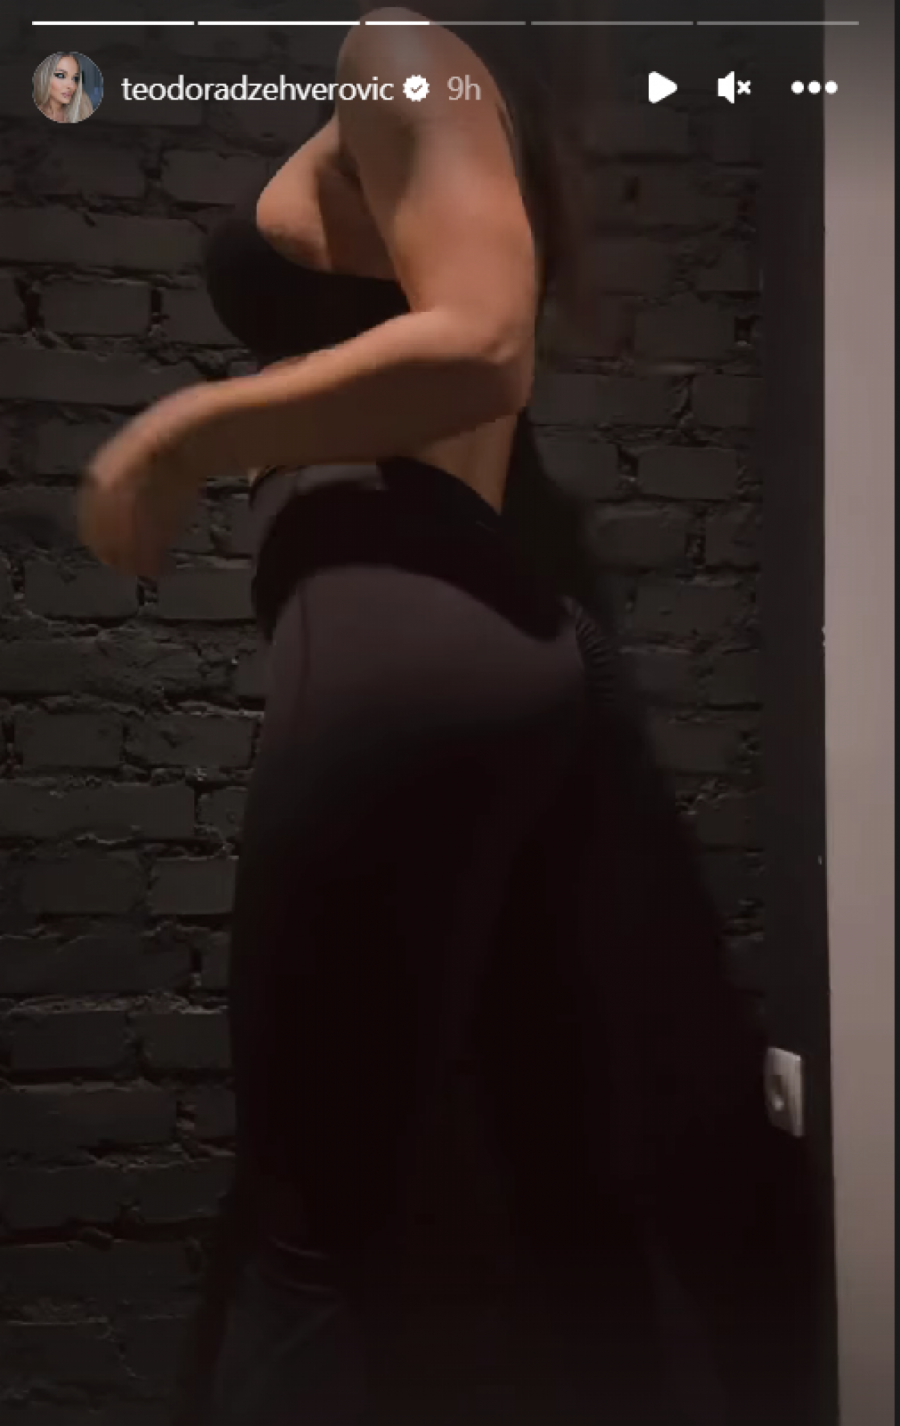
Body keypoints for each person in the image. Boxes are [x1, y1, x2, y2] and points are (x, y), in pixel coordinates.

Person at [78, 6, 817, 1424]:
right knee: (514, 1187)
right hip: (462, 634)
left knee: (310, 1222)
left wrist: (182, 434)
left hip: (392, 629)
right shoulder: (476, 85)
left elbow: (481, 343)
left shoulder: (399, 44)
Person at [33, 51, 94, 124]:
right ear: (44, 77)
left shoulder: (83, 108)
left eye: (75, 78)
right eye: (61, 75)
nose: (72, 86)